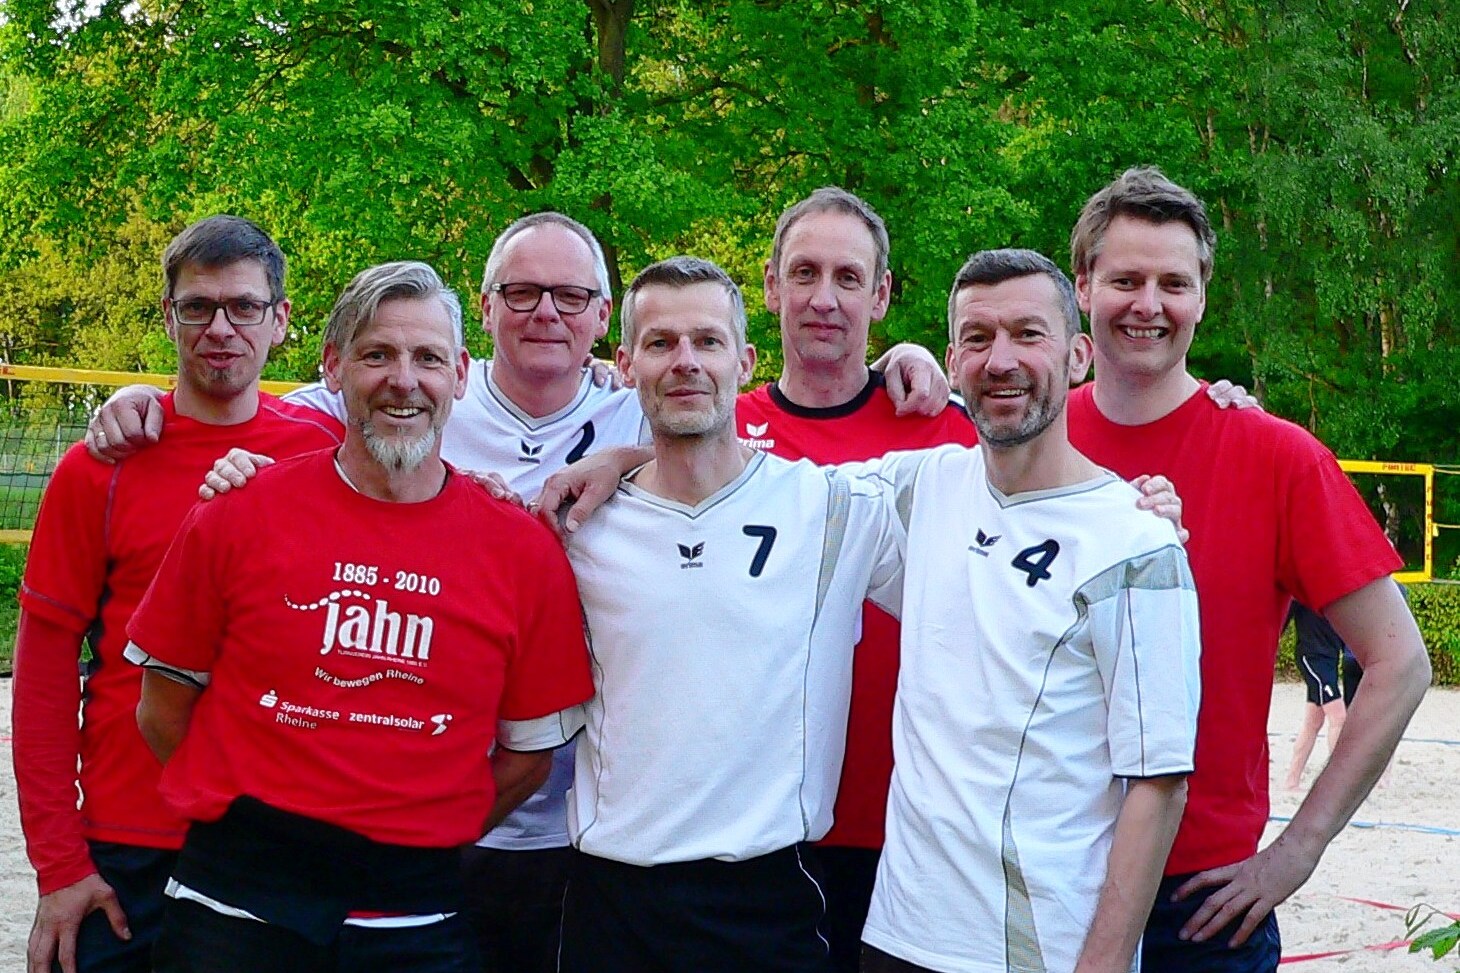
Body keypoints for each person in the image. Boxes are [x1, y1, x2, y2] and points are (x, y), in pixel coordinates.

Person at [84, 208, 947, 972]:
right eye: (523, 291)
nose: (404, 376)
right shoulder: (326, 463)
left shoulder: (783, 494)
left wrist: (929, 359)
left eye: (570, 296)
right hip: (338, 880)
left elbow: (978, 471)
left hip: (569, 863)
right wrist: (141, 403)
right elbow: (247, 403)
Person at [122, 260, 594, 973]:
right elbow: (161, 708)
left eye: (427, 357)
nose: (403, 380)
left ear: (461, 374)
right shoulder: (238, 512)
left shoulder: (522, 549)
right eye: (377, 353)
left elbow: (527, 759)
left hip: (416, 912)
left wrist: (417, 828)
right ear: (334, 366)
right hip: (235, 904)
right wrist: (262, 818)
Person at [1064, 166, 1430, 971]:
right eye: (1125, 279)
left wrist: (1298, 850)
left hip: (1200, 900)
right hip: (1039, 869)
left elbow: (1401, 660)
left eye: (1174, 282)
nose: (1148, 304)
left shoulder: (1275, 455)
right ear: (1083, 285)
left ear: (1202, 296)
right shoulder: (1023, 446)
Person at [12, 215, 345, 973]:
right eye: (197, 307)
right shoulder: (98, 468)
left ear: (281, 319)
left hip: (268, 848)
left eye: (243, 306)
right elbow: (39, 681)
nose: (220, 327)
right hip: (125, 851)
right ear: (168, 317)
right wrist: (60, 866)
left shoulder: (325, 459)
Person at [556, 256, 906, 973]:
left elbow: (997, 520)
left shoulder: (834, 506)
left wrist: (1136, 505)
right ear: (625, 364)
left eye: (707, 341)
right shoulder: (576, 523)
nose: (685, 361)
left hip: (769, 900)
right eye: (661, 343)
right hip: (614, 901)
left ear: (745, 360)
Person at [857, 249, 1201, 973]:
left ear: (1077, 355)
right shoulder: (923, 487)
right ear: (953, 361)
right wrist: (624, 456)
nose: (1001, 359)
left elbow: (1159, 782)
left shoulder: (1135, 541)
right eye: (979, 338)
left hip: (1039, 951)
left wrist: (1102, 964)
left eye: (1028, 334)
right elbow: (755, 487)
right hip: (897, 935)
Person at [736, 187, 978, 971]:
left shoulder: (944, 428)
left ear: (880, 295)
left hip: (914, 827)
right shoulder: (718, 428)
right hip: (760, 829)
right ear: (770, 285)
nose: (823, 298)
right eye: (804, 273)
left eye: (848, 277)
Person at [1283, 602, 1349, 791]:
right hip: (1312, 657)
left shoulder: (1332, 590)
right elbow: (1280, 620)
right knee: (1339, 717)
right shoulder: (1300, 594)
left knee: (1313, 721)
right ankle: (1337, 781)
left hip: (1330, 657)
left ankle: (1292, 780)